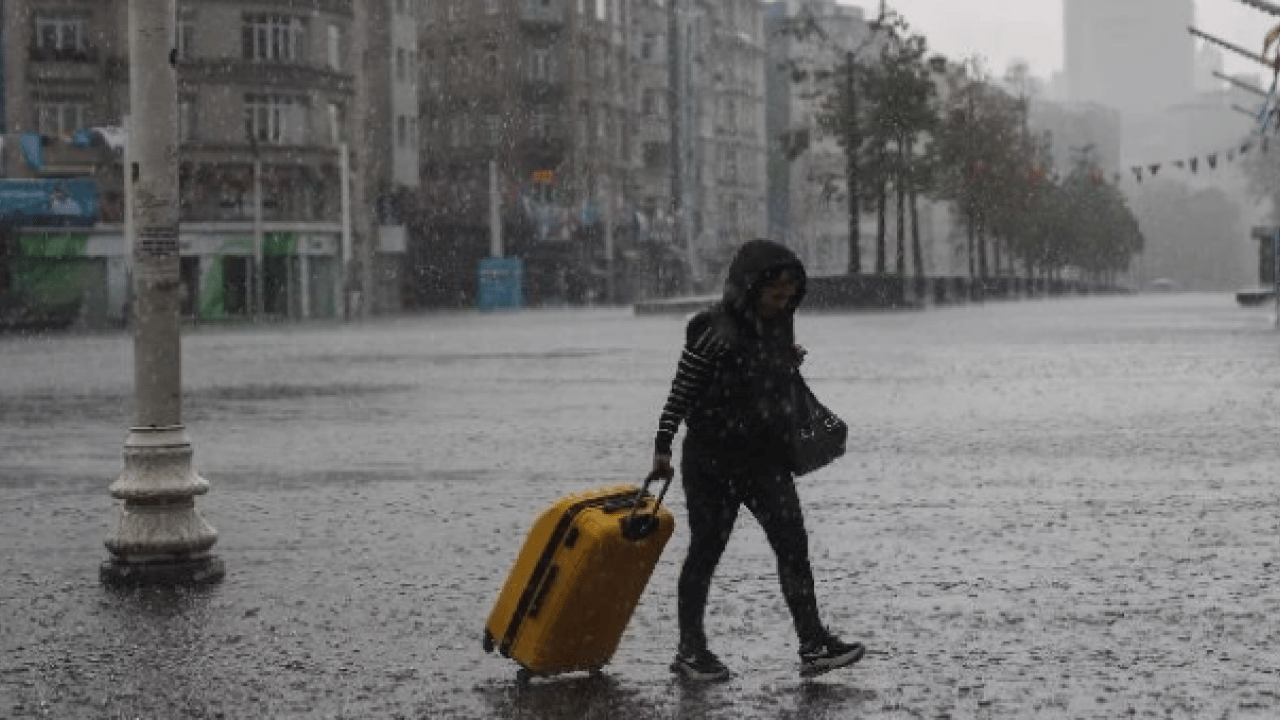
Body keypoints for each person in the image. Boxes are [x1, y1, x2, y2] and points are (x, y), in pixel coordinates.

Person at [652, 238, 865, 681]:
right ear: (748, 289)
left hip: (766, 459)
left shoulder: (776, 327)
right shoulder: (711, 329)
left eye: (789, 298)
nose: (781, 305)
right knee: (706, 552)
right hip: (712, 461)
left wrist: (783, 362)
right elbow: (682, 391)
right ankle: (691, 651)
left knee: (793, 547)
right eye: (774, 297)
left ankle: (813, 642)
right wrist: (662, 448)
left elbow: (760, 384)